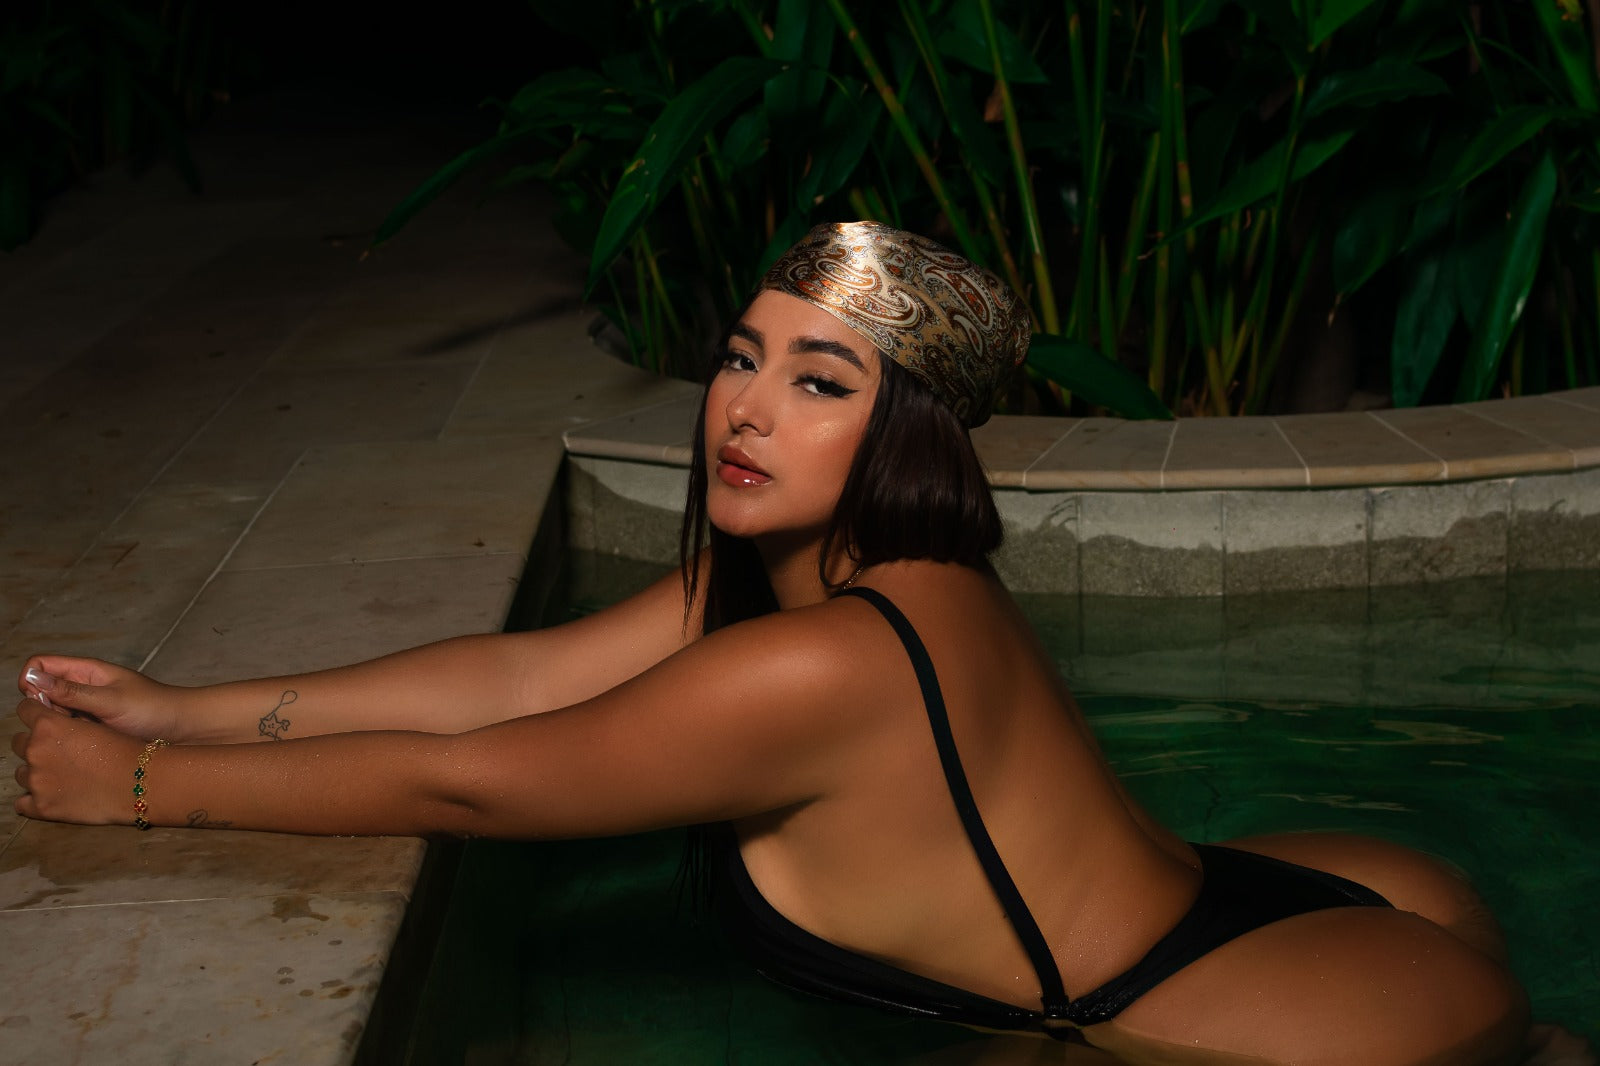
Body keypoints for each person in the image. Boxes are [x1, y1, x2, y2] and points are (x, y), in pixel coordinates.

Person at [7, 223, 1559, 1065]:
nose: (745, 408)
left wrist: (140, 796)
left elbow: (473, 782)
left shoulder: (818, 663)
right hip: (1308, 900)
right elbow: (520, 675)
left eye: (820, 381)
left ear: (906, 434)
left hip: (1278, 1021)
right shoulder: (860, 578)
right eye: (741, 359)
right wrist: (181, 709)